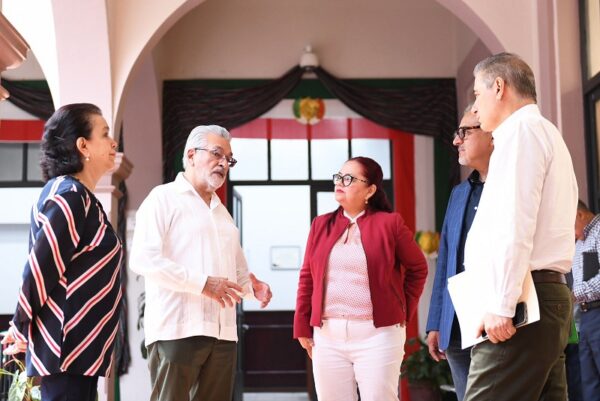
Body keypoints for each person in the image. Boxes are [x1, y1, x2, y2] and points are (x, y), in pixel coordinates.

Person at [462, 52, 578, 401]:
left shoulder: (520, 133)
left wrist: (502, 304)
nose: (475, 107)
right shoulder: (543, 131)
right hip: (540, 294)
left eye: (478, 94)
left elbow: (514, 224)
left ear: (499, 87)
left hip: (523, 300)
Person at [129, 125, 272, 401]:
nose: (224, 163)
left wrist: (252, 288)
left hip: (223, 334)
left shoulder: (223, 214)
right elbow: (143, 258)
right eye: (217, 154)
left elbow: (237, 271)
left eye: (229, 159)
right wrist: (202, 284)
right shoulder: (163, 198)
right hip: (177, 329)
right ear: (191, 155)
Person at [1, 103, 122, 401]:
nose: (113, 142)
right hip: (66, 350)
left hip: (77, 352)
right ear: (83, 145)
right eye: (105, 134)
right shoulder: (69, 196)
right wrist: (20, 325)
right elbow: (41, 268)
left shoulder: (80, 197)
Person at [293, 156, 428, 401]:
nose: (339, 182)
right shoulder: (320, 224)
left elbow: (418, 268)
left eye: (349, 179)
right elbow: (307, 277)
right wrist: (302, 325)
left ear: (370, 190)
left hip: (378, 336)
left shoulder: (390, 224)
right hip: (327, 336)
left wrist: (402, 310)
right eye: (338, 177)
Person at [426, 107, 493, 401]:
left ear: (492, 135)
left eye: (465, 132)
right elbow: (445, 262)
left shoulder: (511, 186)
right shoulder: (459, 193)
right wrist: (435, 322)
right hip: (456, 322)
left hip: (499, 313)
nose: (456, 140)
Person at [572, 200, 600, 400]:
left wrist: (575, 293)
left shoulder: (598, 231)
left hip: (598, 312)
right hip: (585, 316)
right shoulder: (580, 242)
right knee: (589, 382)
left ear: (579, 214)